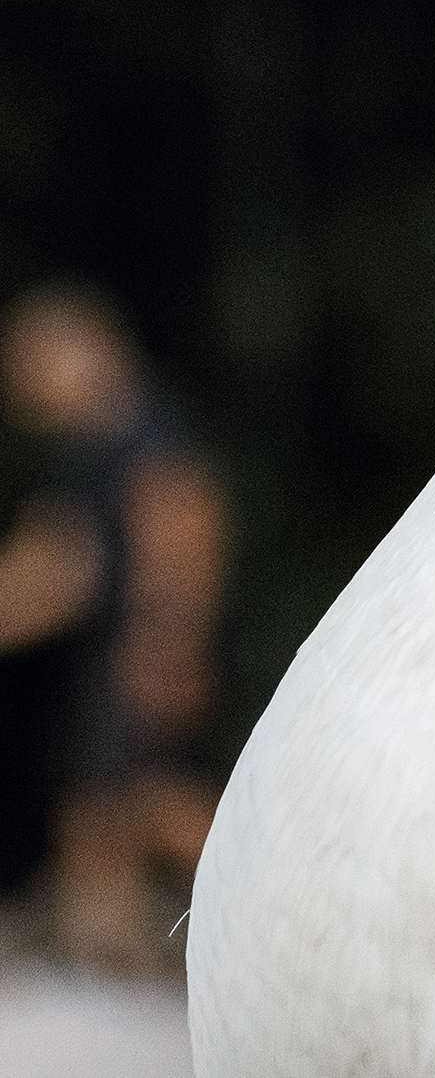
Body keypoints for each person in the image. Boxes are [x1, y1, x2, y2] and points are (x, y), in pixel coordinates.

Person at [0, 285, 225, 972]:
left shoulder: (141, 433)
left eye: (34, 365)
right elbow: (66, 563)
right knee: (96, 812)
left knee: (154, 806)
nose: (26, 388)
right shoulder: (93, 450)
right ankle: (119, 959)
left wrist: (174, 642)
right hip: (119, 654)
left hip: (145, 648)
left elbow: (185, 524)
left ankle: (284, 886)